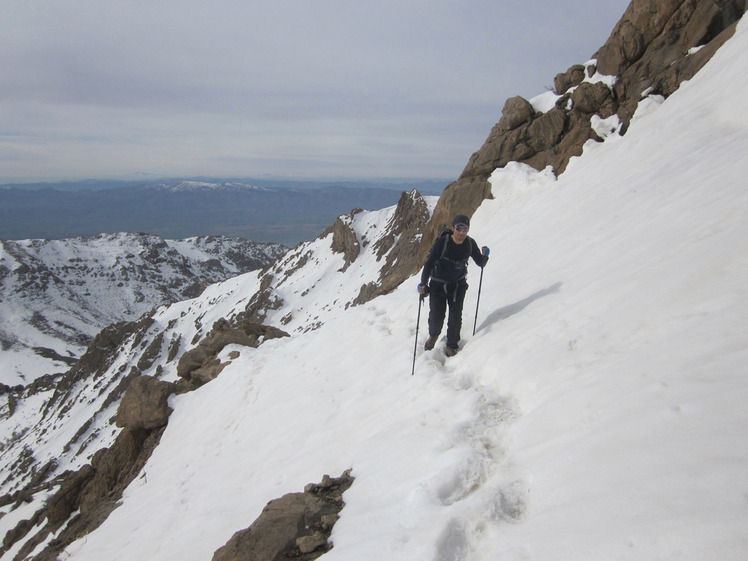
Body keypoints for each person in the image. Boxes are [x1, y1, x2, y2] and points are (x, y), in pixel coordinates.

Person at [418, 214, 489, 357]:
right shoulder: (443, 243)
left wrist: (485, 255)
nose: (462, 232)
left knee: (455, 317)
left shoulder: (470, 244)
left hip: (458, 285)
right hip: (438, 285)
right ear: (453, 228)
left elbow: (480, 262)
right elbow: (429, 263)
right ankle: (433, 335)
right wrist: (423, 283)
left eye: (465, 229)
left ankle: (452, 344)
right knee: (437, 316)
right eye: (459, 228)